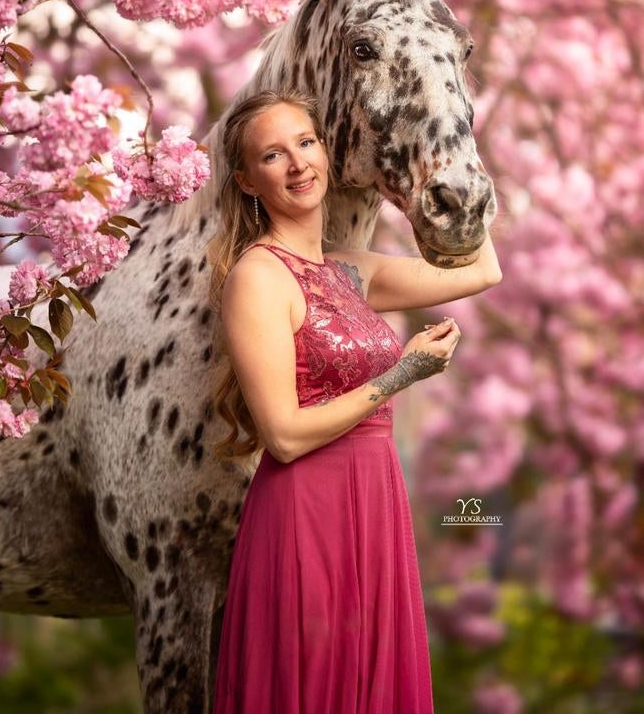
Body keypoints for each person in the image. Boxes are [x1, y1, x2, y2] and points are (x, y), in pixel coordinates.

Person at [208, 87, 497, 713]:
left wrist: (452, 157)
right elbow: (282, 436)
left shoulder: (349, 270)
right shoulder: (258, 276)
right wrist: (402, 373)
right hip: (305, 512)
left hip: (374, 502)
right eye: (273, 156)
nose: (298, 164)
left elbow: (480, 270)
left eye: (306, 143)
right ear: (247, 181)